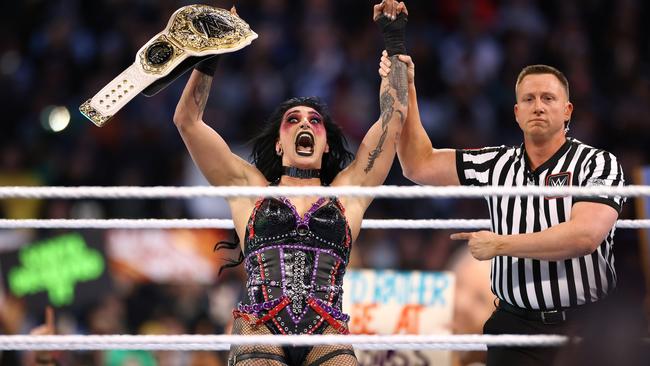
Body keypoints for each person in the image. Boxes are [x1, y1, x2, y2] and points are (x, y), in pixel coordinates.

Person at [173, 2, 409, 365]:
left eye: (315, 121)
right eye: (292, 119)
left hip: (326, 328)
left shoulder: (347, 195)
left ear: (326, 143)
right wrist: (211, 55)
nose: (304, 124)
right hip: (260, 324)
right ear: (280, 143)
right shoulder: (249, 188)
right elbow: (187, 121)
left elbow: (394, 121)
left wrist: (394, 40)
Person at [380, 55, 626, 365]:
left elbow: (586, 236)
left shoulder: (598, 163)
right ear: (517, 112)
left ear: (567, 111)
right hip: (514, 326)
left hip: (585, 326)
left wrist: (500, 244)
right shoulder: (496, 163)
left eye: (548, 98)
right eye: (529, 99)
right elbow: (418, 165)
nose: (538, 106)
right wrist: (408, 90)